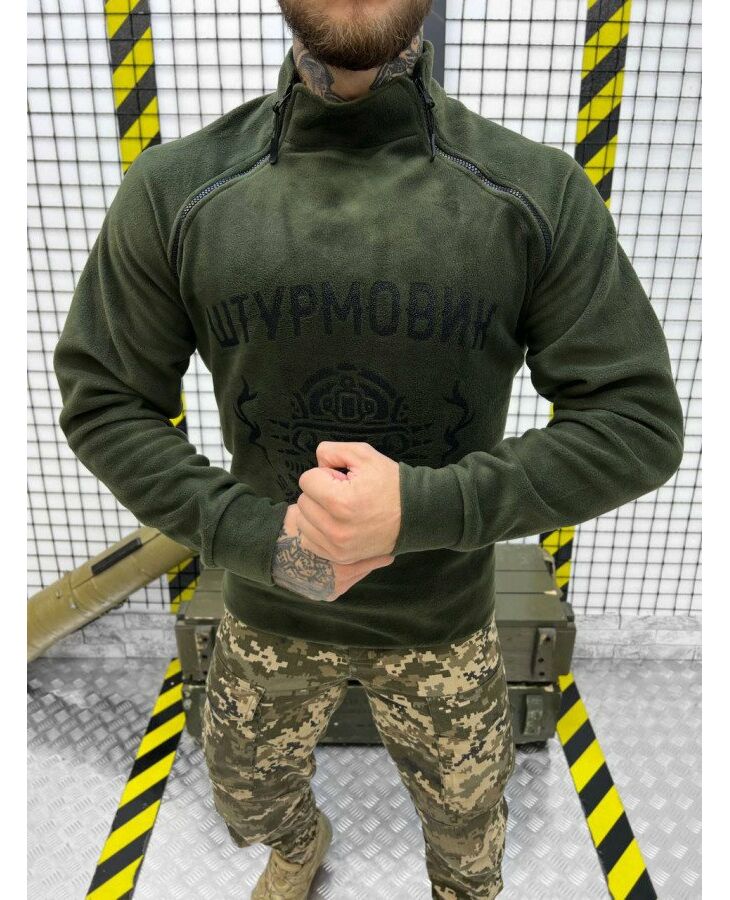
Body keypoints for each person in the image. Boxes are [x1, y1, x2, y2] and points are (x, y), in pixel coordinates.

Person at [52, 0, 685, 896]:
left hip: (440, 619)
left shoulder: (532, 195)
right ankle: (299, 846)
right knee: (245, 798)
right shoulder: (177, 192)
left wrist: (423, 509)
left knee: (470, 838)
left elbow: (637, 422)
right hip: (275, 601)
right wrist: (260, 539)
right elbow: (105, 400)